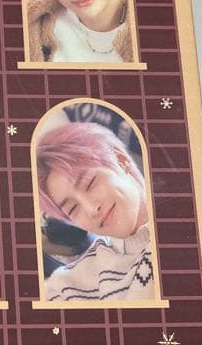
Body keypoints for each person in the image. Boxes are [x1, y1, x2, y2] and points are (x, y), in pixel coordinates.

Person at [36, 119, 153, 302]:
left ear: (121, 161)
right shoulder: (65, 288)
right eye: (73, 209)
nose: (91, 209)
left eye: (89, 183)